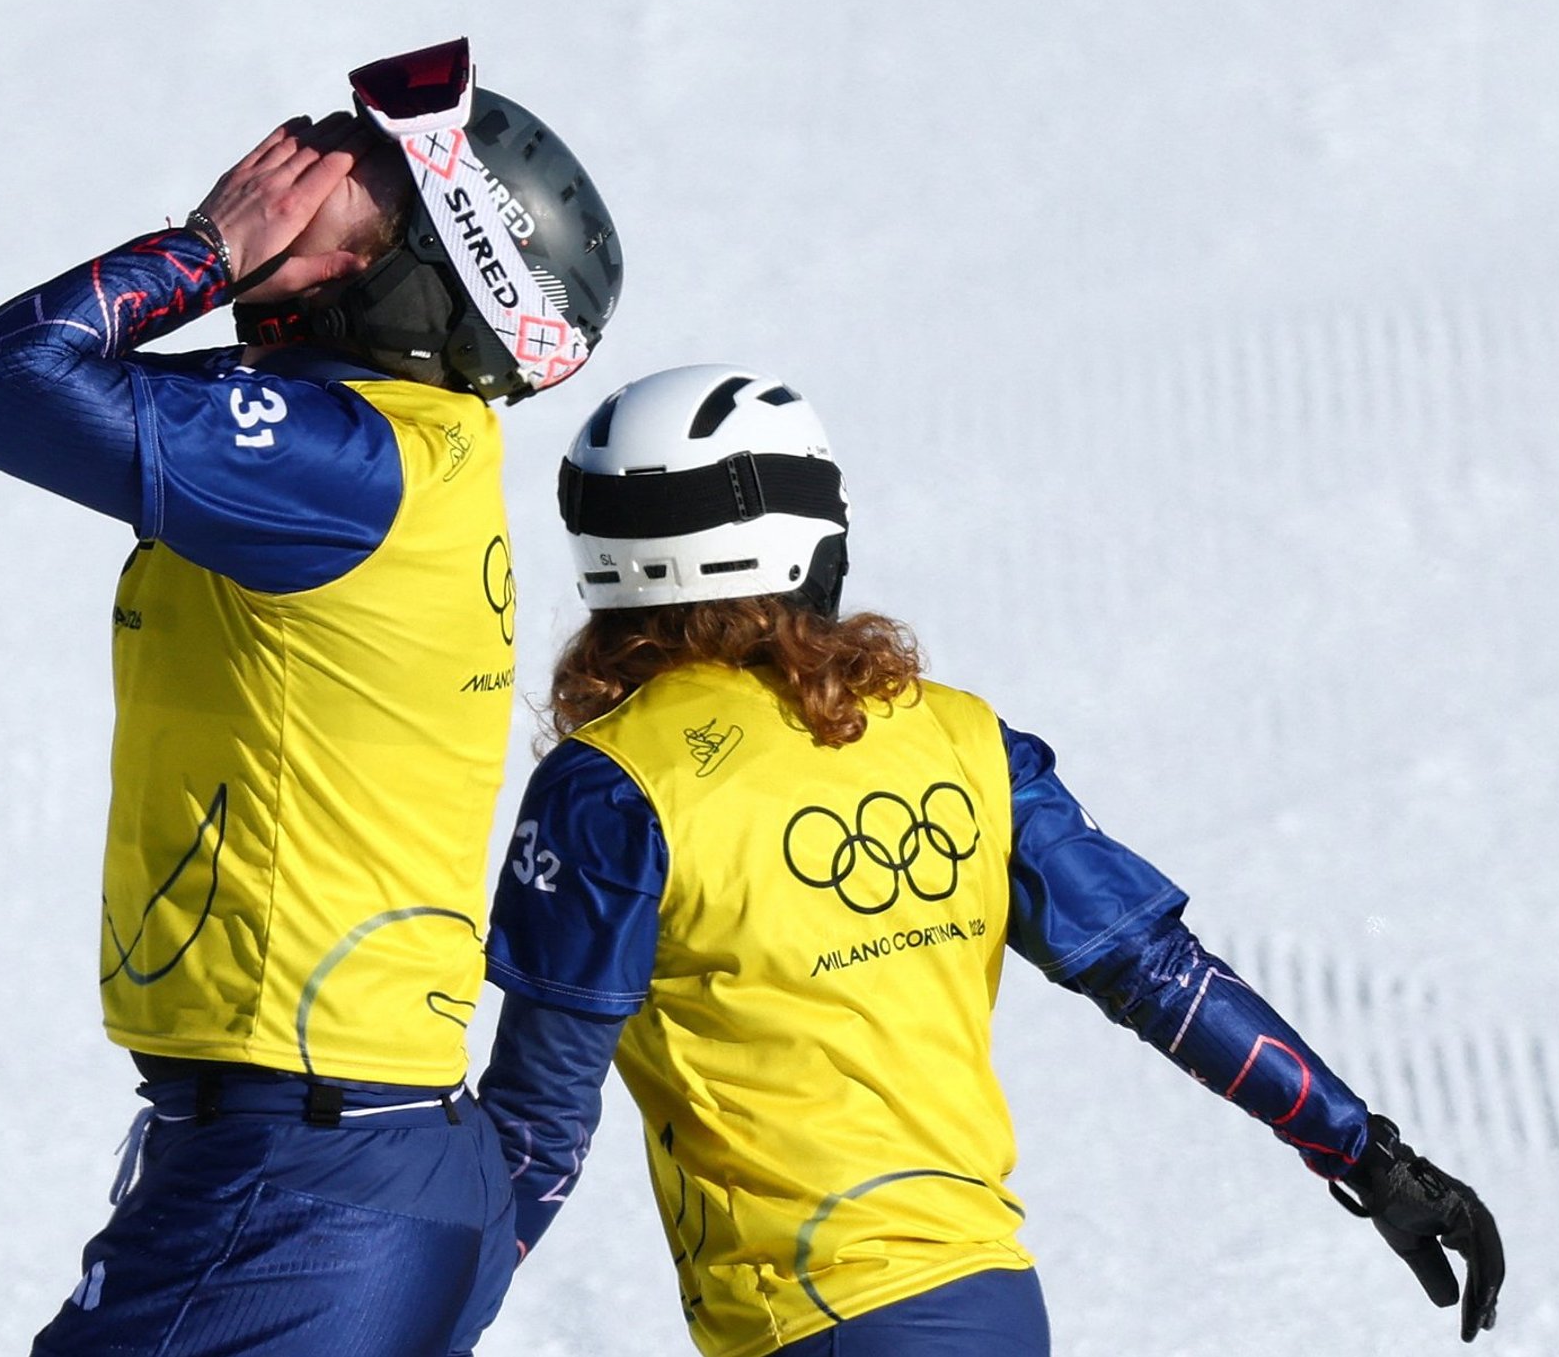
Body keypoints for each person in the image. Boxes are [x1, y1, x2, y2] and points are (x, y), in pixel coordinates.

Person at [476, 364, 1504, 1356]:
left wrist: (402, 1312)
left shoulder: (611, 788)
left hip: (808, 1320)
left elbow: (535, 1132)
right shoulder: (963, 739)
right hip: (986, 1303)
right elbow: (1161, 978)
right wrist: (1364, 1155)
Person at [0, 39, 622, 1357]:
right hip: (350, 1166)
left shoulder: (347, 465)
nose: (283, 160)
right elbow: (43, 384)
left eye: (345, 174)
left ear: (409, 271)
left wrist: (197, 251)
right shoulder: (373, 446)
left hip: (303, 1187)